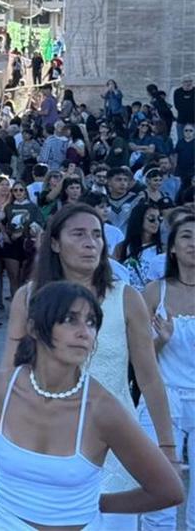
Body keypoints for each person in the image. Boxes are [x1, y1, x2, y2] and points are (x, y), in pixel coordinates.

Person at [1, 204, 179, 529]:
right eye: (79, 234)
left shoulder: (125, 298)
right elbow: (9, 375)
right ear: (55, 243)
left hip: (113, 444)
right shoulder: (30, 298)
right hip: (47, 440)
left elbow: (149, 377)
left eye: (97, 235)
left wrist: (166, 445)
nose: (91, 243)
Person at [0, 280, 183, 529]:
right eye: (69, 319)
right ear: (33, 327)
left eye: (92, 322)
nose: (84, 332)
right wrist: (12, 498)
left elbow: (168, 490)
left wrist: (97, 504)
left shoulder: (102, 409)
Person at [139, 212, 195, 530]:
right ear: (172, 248)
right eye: (186, 236)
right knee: (159, 490)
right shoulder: (154, 291)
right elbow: (139, 356)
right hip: (163, 397)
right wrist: (161, 340)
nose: (194, 244)